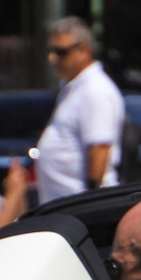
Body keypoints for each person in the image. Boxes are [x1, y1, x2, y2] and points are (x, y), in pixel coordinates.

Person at [34, 17, 123, 202]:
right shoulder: (74, 88)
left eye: (61, 52)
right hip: (66, 207)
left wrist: (87, 203)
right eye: (51, 51)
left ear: (84, 51)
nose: (52, 58)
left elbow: (99, 149)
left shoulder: (95, 89)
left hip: (82, 208)